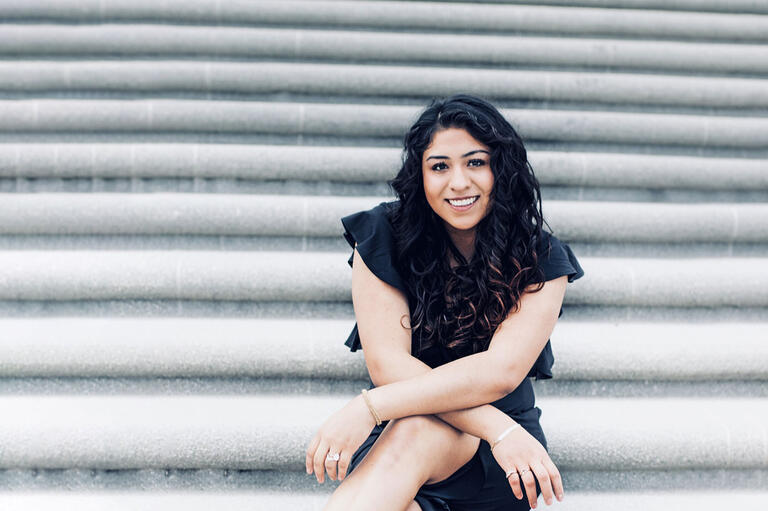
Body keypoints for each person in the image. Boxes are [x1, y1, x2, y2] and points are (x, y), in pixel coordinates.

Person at [305, 93, 585, 511]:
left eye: (475, 162)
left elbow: (499, 373)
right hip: (446, 438)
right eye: (439, 166)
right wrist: (496, 428)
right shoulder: (384, 236)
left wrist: (368, 408)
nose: (458, 183)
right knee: (414, 434)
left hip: (497, 459)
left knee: (416, 429)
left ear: (500, 170)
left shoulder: (541, 257)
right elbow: (388, 365)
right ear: (420, 176)